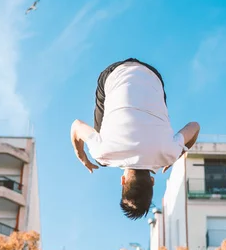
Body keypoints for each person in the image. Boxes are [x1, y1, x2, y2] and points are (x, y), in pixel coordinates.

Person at [70, 58, 200, 220]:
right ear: (122, 180)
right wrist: (81, 155)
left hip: (154, 77)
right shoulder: (103, 154)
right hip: (113, 74)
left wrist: (177, 154)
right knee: (100, 154)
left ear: (152, 181)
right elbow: (76, 126)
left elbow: (194, 126)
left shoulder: (170, 152)